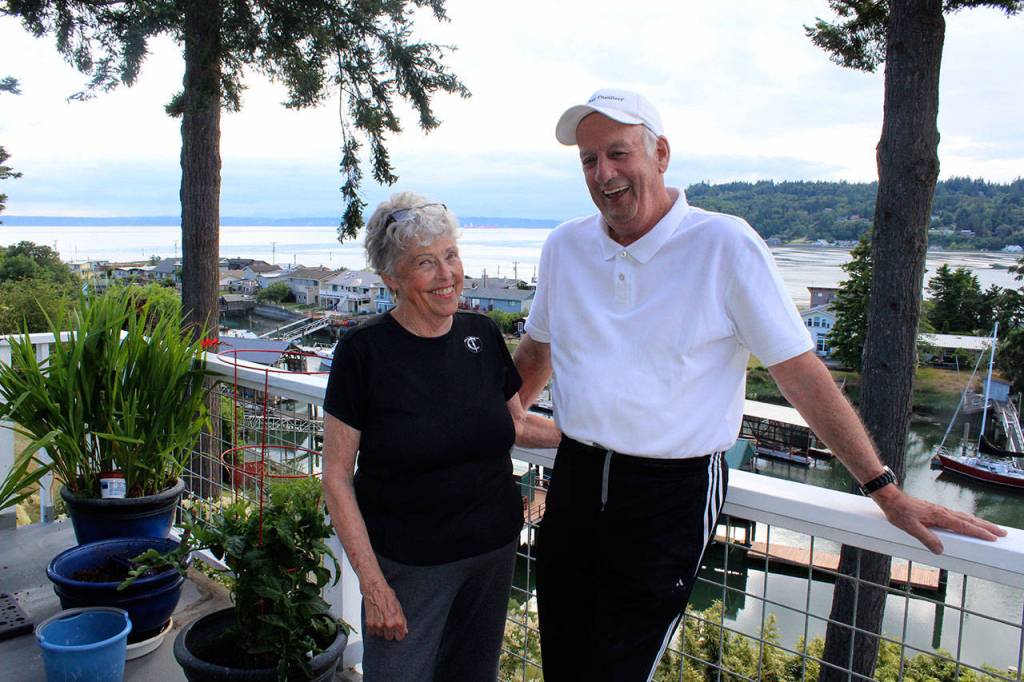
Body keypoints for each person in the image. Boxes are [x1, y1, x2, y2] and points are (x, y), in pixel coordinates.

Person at [513, 88, 1008, 681]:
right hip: (575, 478)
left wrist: (884, 488)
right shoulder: (566, 246)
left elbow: (799, 373)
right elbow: (538, 347)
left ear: (661, 153)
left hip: (668, 493)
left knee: (617, 669)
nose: (604, 174)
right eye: (589, 161)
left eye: (618, 154)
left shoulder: (724, 245)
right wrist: (504, 413)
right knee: (563, 658)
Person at [321, 193, 560, 681]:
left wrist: (595, 439)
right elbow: (337, 477)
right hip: (409, 565)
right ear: (392, 278)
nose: (447, 274)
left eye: (450, 255)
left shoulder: (481, 335)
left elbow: (515, 424)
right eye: (425, 263)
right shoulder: (363, 353)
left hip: (492, 551)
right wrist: (373, 585)